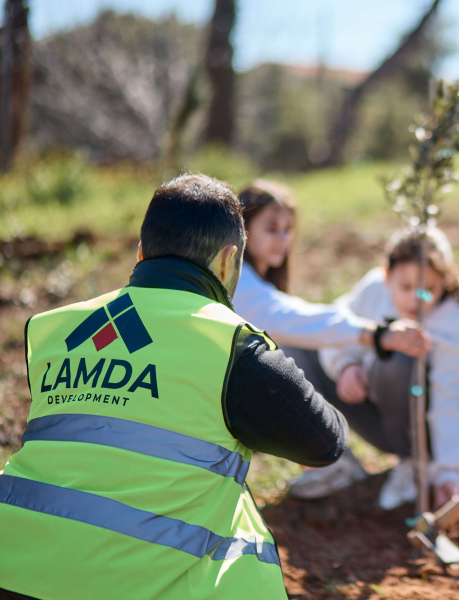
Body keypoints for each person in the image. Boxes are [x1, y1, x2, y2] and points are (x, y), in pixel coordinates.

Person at [0, 174, 348, 600]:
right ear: (228, 261)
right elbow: (323, 443)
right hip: (132, 586)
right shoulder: (230, 344)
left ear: (142, 250)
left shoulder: (55, 327)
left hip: (14, 568)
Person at [230, 180, 431, 497]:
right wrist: (375, 334)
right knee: (281, 349)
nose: (282, 239)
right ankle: (329, 462)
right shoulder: (238, 283)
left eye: (288, 229)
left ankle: (335, 464)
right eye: (271, 228)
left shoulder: (255, 281)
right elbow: (290, 319)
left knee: (290, 347)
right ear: (243, 231)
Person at [290, 227, 459, 510]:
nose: (416, 300)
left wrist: (450, 471)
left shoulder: (454, 325)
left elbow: (453, 399)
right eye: (406, 288)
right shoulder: (374, 290)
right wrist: (346, 365)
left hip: (422, 429)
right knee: (296, 347)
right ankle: (336, 463)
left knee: (398, 358)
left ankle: (414, 463)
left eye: (428, 290)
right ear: (387, 276)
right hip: (375, 413)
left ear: (444, 282)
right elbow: (333, 330)